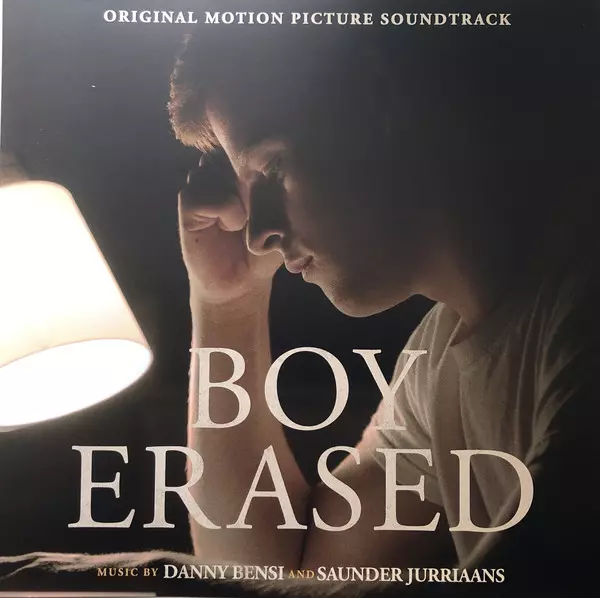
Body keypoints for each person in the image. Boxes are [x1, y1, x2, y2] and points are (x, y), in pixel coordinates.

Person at [168, 0, 599, 594]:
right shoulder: (440, 359)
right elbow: (285, 571)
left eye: (274, 166)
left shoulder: (581, 296)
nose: (258, 231)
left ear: (377, 98)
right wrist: (226, 302)